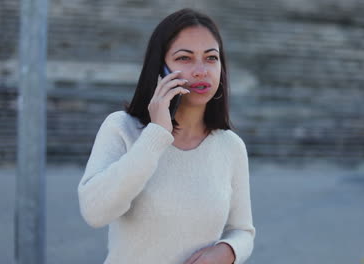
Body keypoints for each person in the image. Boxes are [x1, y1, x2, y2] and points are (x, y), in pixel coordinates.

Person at [78, 8, 255, 264]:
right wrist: (156, 135)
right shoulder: (121, 128)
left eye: (211, 58)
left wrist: (227, 251)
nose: (200, 70)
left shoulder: (231, 146)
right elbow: (95, 212)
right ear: (159, 69)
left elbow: (242, 230)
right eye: (184, 58)